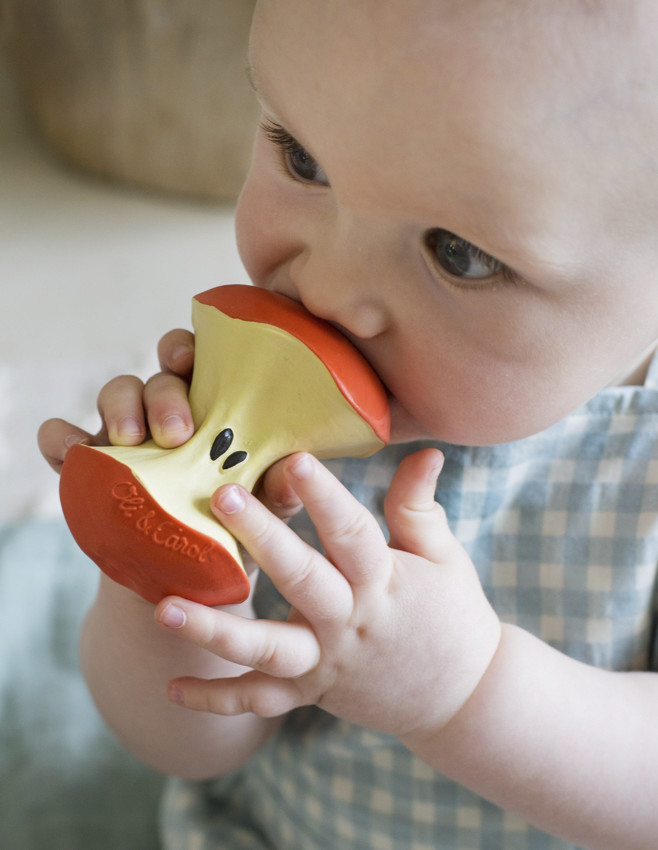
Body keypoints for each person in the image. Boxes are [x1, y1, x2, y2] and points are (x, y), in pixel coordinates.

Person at [38, 1, 658, 847]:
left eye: (459, 253)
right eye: (303, 159)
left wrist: (466, 690)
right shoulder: (265, 435)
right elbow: (186, 744)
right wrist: (160, 567)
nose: (324, 290)